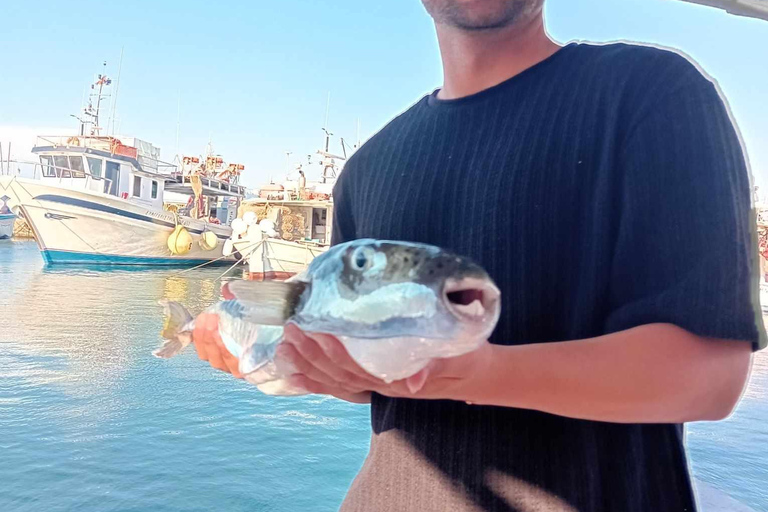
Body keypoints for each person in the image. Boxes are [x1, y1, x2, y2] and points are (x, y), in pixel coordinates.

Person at [191, 1, 766, 510]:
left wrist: (478, 373)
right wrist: (267, 355)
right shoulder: (366, 168)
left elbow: (708, 375)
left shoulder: (654, 93)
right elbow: (368, 381)